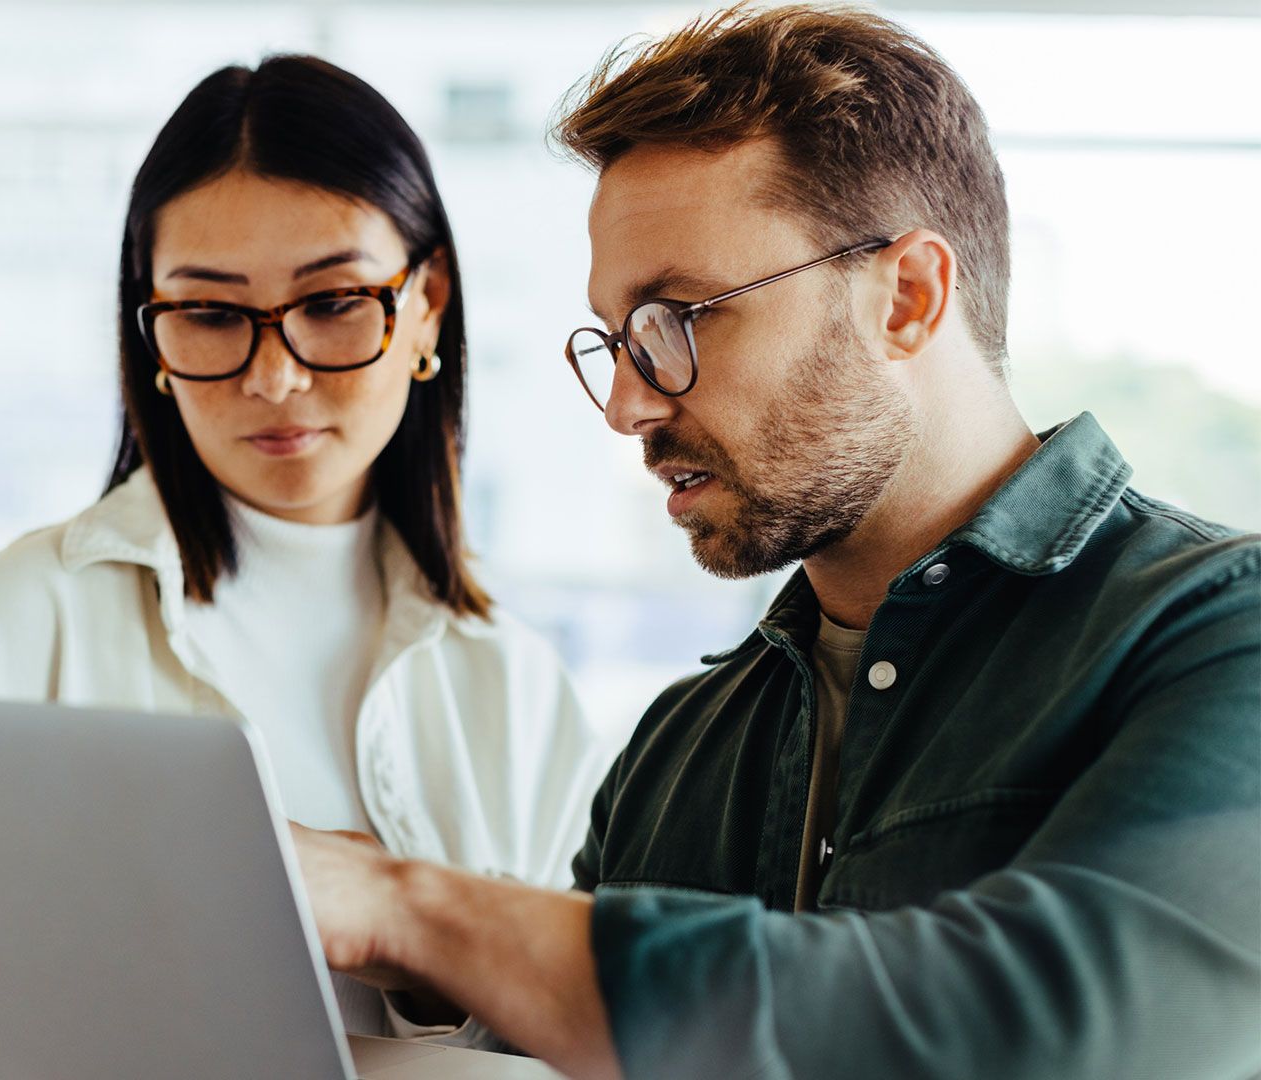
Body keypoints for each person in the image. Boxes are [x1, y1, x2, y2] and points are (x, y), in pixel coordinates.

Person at [290, 6, 1261, 1079]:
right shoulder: (677, 745)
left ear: (908, 298)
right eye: (616, 341)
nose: (625, 406)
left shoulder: (1221, 632)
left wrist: (411, 908)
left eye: (677, 318)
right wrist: (398, 967)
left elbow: (1050, 1028)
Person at [0, 55, 612, 1038]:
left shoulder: (516, 687)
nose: (275, 378)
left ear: (428, 304)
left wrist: (423, 945)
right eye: (209, 313)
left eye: (333, 303)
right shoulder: (19, 626)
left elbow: (586, 1042)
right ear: (150, 333)